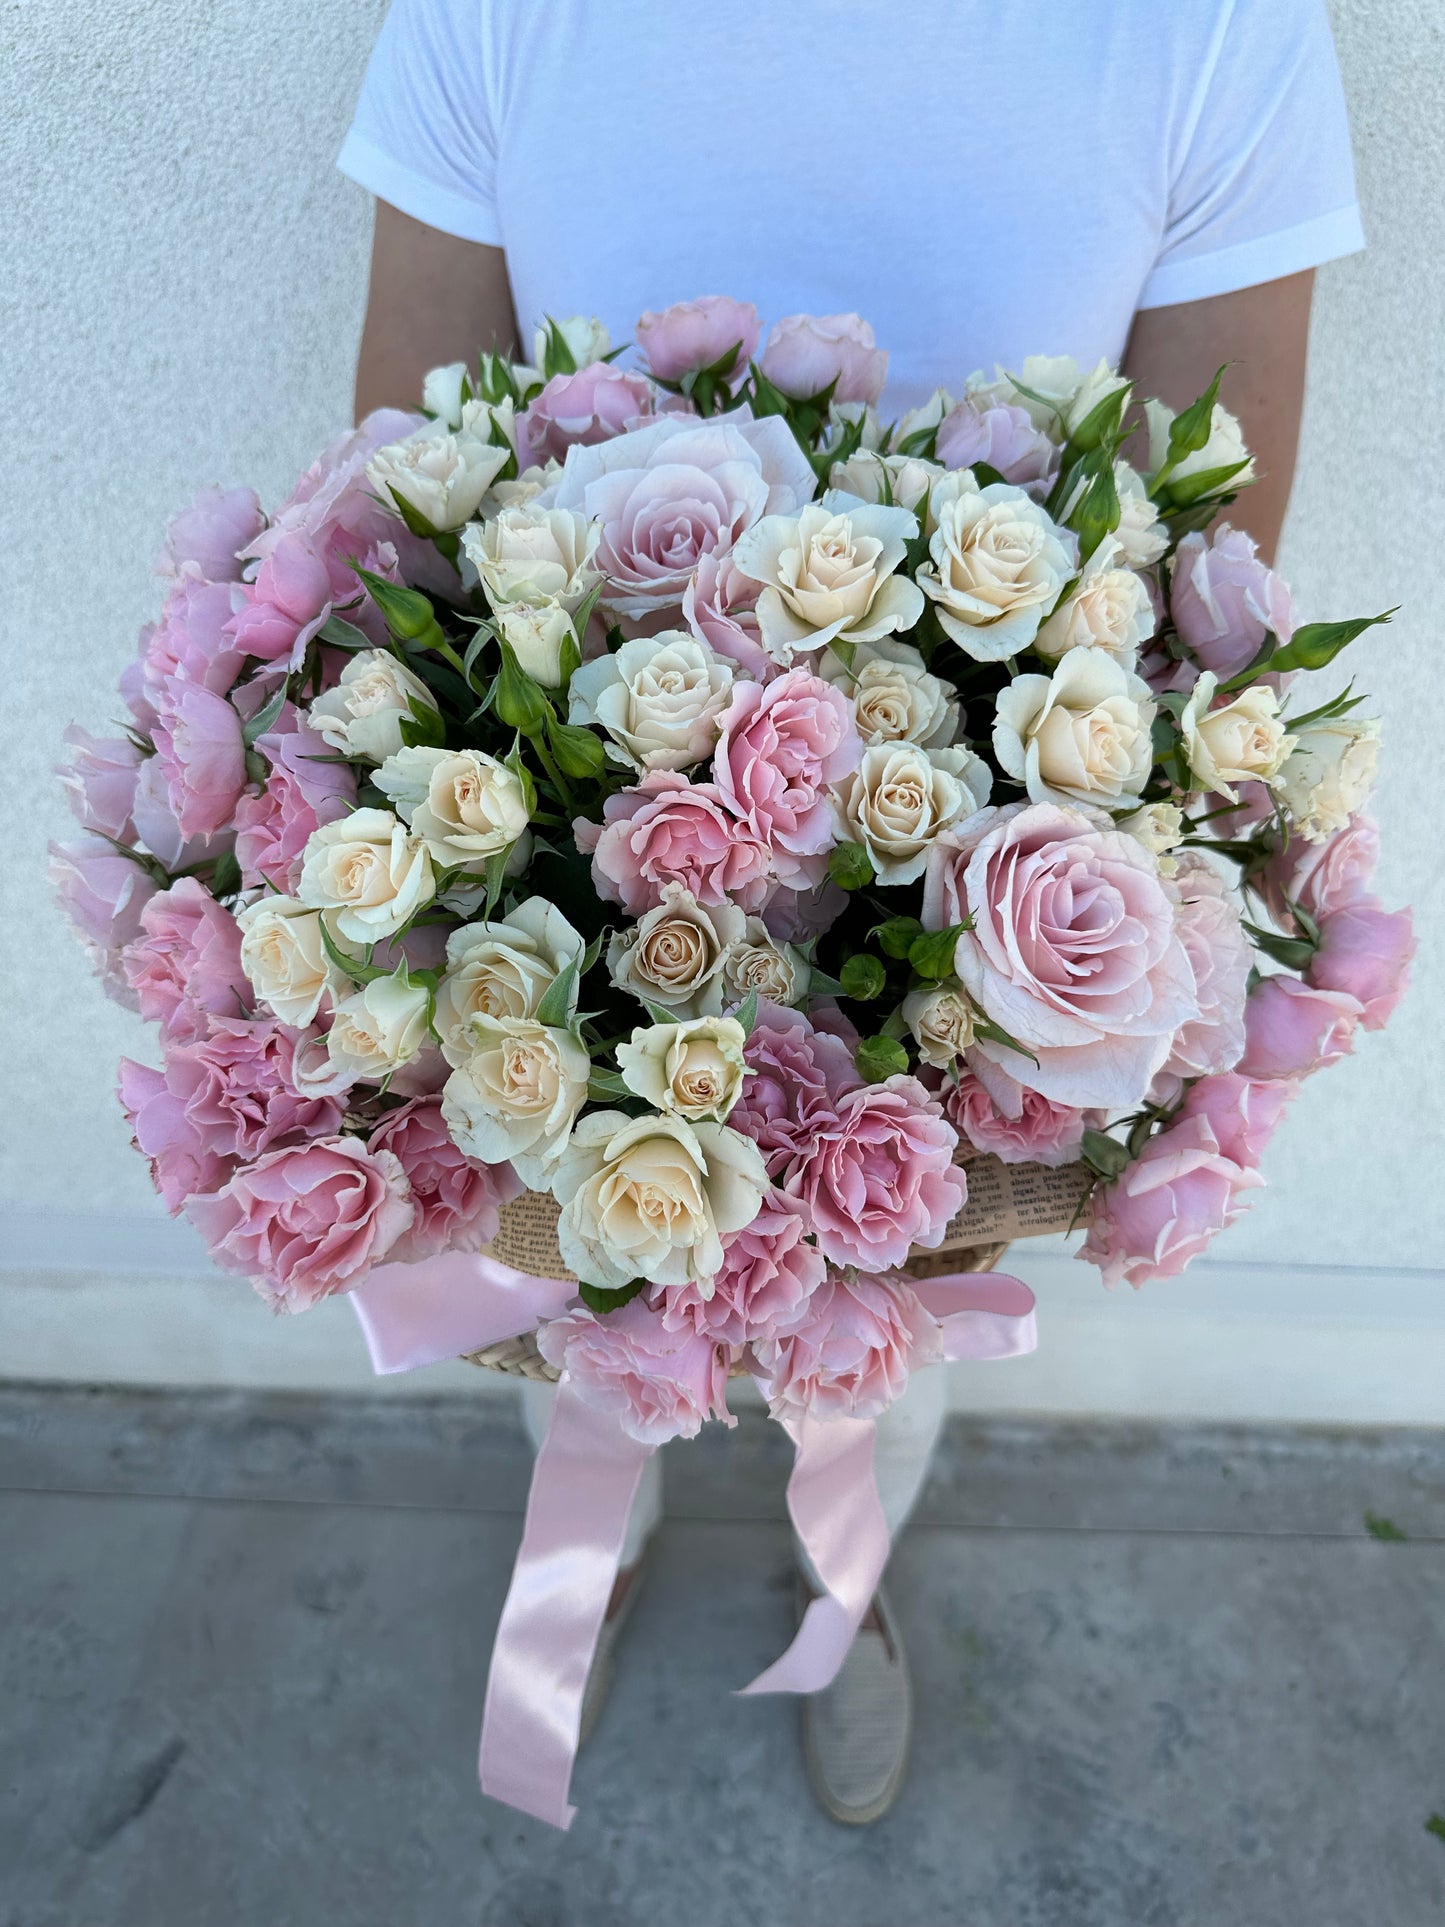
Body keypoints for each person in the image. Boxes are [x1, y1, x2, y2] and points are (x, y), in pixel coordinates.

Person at [339, 0, 1363, 1823]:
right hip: (571, 830)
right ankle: (603, 1521)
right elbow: (402, 481)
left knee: (892, 1296)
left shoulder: (1216, 30)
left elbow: (1201, 578)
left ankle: (846, 1566)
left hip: (969, 873)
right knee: (566, 1226)